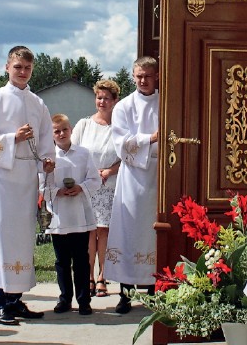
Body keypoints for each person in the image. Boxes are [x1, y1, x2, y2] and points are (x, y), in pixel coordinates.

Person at [0, 45, 56, 326]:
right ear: (7, 67)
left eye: (28, 68)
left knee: (21, 240)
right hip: (2, 178)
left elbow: (46, 140)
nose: (22, 72)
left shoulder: (37, 103)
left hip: (26, 178)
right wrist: (13, 139)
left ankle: (15, 299)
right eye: (18, 67)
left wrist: (47, 160)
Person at [104, 56, 159, 314]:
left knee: (155, 233)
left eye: (147, 75)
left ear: (156, 75)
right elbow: (122, 144)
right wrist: (150, 138)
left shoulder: (166, 102)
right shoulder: (123, 107)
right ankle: (125, 293)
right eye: (138, 76)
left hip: (159, 175)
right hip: (132, 178)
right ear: (133, 76)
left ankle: (154, 291)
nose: (142, 80)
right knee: (128, 232)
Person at [41, 114, 100, 316]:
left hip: (79, 216)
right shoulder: (48, 158)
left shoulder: (83, 153)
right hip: (59, 217)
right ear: (51, 134)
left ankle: (84, 300)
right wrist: (57, 190)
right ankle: (65, 299)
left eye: (65, 129)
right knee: (62, 261)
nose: (61, 133)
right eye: (56, 131)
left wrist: (80, 187)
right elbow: (42, 189)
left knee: (82, 260)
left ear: (71, 129)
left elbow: (95, 180)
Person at [71, 79, 121, 298]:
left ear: (114, 101)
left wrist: (109, 171)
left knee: (105, 231)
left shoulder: (119, 128)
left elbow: (127, 156)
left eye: (106, 98)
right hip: (89, 185)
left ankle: (103, 276)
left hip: (110, 185)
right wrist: (91, 173)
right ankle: (88, 276)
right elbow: (74, 153)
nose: (102, 102)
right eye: (99, 97)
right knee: (89, 232)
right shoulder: (84, 125)